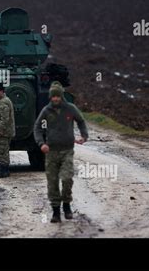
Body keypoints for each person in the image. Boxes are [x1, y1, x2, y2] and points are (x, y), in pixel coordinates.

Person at [34, 81, 89, 223]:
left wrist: (84, 136)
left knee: (66, 178)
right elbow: (37, 128)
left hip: (67, 150)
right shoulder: (46, 110)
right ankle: (56, 212)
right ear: (50, 97)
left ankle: (67, 206)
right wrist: (41, 144)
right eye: (53, 97)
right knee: (52, 183)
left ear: (61, 96)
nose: (56, 99)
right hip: (51, 152)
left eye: (58, 96)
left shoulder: (70, 109)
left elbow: (81, 121)